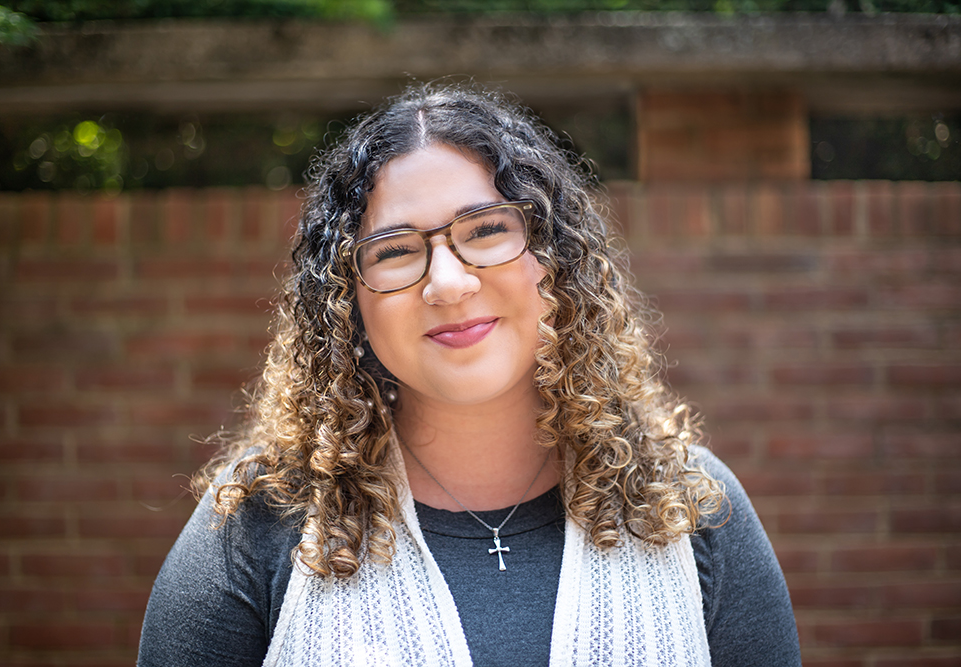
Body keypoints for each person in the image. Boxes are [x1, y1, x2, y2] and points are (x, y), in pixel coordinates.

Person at [138, 82, 800, 666]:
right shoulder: (259, 523)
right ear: (347, 300)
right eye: (394, 250)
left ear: (554, 257)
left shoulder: (696, 510)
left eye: (485, 230)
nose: (449, 283)